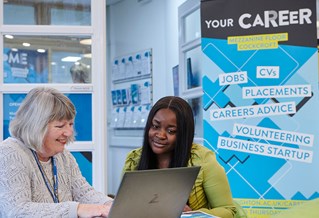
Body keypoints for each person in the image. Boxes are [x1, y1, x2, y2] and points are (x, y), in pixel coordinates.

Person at [0, 87, 112, 217]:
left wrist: (110, 205)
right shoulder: (9, 153)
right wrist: (77, 209)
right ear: (35, 126)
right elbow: (16, 211)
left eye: (70, 124)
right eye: (60, 126)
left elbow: (84, 192)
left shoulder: (63, 156)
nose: (69, 132)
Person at [123, 96, 237, 218]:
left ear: (183, 134)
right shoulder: (134, 158)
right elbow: (123, 205)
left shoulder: (202, 159)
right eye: (155, 126)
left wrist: (192, 215)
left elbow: (228, 210)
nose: (160, 135)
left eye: (171, 131)